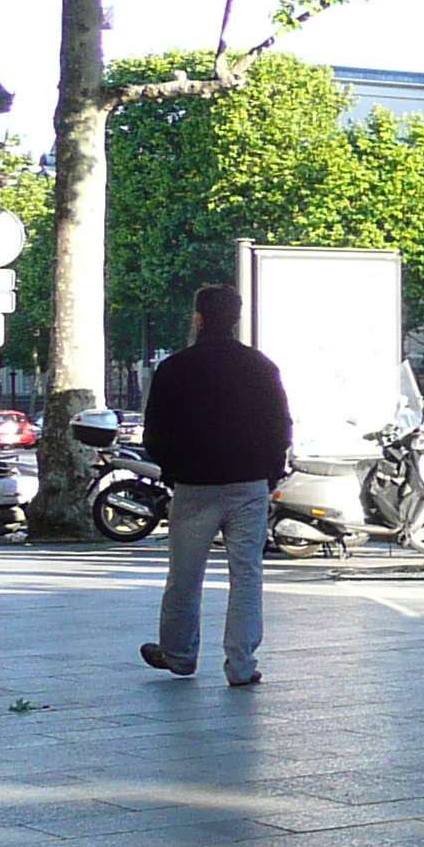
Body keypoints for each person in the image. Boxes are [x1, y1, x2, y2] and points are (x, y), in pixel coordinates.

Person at [140, 284, 291, 688]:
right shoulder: (261, 367)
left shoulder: (175, 368)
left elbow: (153, 434)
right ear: (236, 318)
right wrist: (268, 473)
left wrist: (175, 470)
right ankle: (241, 665)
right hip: (248, 486)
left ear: (198, 318)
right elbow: (280, 428)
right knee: (246, 575)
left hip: (194, 487)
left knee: (185, 576)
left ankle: (179, 654)